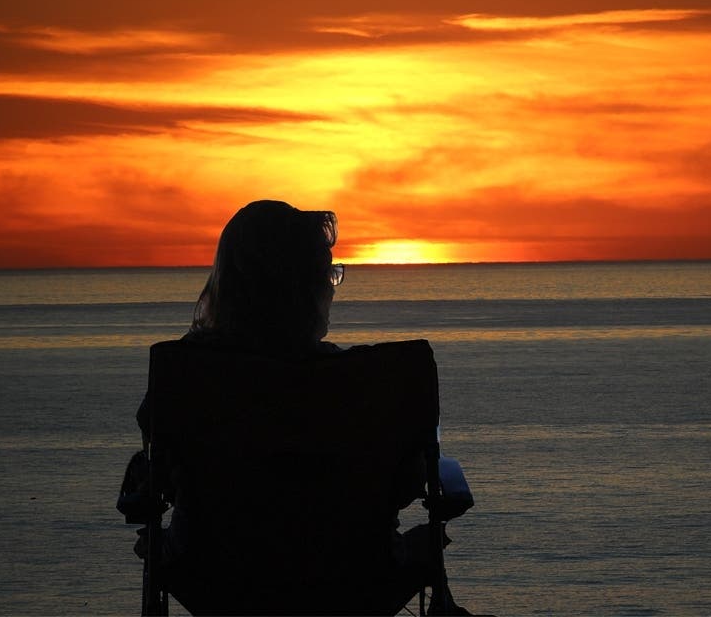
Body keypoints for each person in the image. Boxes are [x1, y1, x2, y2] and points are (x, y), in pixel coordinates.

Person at [131, 200, 469, 615]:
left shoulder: (183, 379)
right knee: (423, 545)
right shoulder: (372, 384)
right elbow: (408, 485)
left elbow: (159, 477)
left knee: (155, 545)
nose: (331, 284)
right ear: (304, 287)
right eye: (327, 272)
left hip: (220, 582)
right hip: (356, 581)